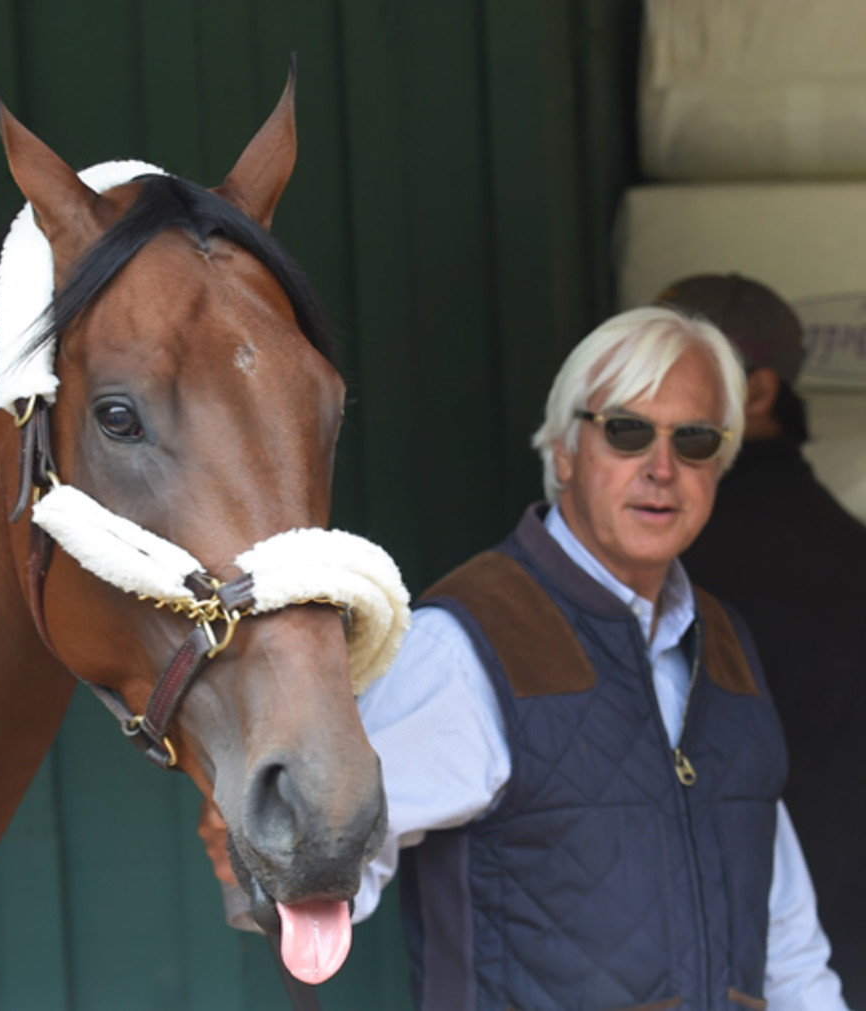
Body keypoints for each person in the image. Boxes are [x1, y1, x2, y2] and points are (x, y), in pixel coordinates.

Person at [345, 306, 848, 1009]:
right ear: (563, 450)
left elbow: (788, 939)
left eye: (695, 438)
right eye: (627, 430)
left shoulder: (725, 642)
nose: (662, 468)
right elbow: (309, 875)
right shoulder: (463, 644)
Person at [660, 273, 866, 1006]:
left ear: (761, 393)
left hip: (751, 966)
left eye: (677, 373)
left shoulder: (671, 565)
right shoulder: (846, 546)